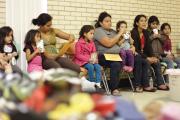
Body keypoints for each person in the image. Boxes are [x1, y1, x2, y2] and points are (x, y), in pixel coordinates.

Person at [131, 14, 168, 92]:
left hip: (144, 55)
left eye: (145, 21)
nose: (144, 23)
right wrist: (147, 57)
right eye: (141, 21)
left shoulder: (146, 32)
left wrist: (153, 56)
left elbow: (149, 47)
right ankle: (145, 85)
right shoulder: (133, 32)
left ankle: (160, 83)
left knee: (157, 62)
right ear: (137, 23)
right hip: (136, 55)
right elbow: (136, 49)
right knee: (146, 61)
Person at [94, 12, 126, 95]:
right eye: (107, 21)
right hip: (103, 56)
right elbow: (108, 43)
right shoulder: (98, 31)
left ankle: (114, 87)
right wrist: (119, 33)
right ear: (101, 23)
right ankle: (114, 89)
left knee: (119, 62)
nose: (109, 23)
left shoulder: (113, 31)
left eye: (110, 21)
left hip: (115, 56)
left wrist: (131, 44)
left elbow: (119, 43)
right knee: (116, 64)